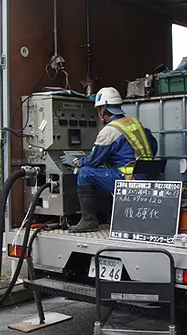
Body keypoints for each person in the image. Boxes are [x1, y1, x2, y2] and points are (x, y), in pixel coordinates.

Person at [61, 87, 158, 233]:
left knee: (86, 173)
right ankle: (109, 215)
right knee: (108, 171)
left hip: (130, 180)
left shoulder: (109, 130)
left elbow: (93, 161)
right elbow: (154, 145)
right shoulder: (136, 123)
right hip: (149, 176)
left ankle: (89, 221)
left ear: (102, 109)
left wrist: (76, 161)